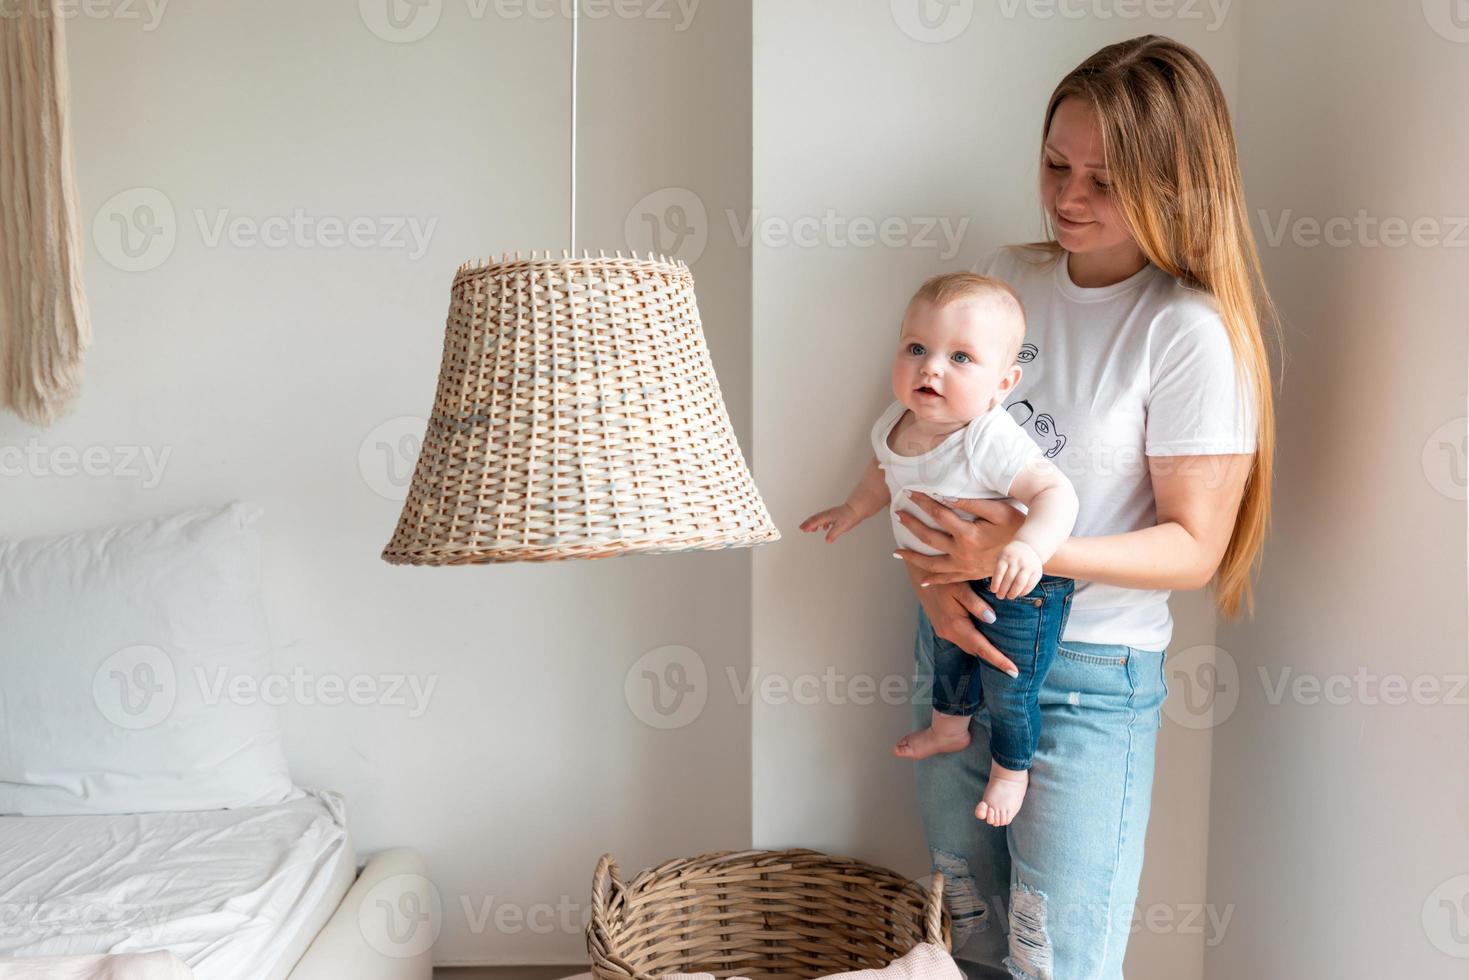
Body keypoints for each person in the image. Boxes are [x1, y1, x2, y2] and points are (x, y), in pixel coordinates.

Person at [893, 36, 1276, 979]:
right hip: (956, 643)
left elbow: (1195, 550)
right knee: (969, 936)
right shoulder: (1002, 285)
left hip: (1086, 678)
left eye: (1103, 181)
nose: (1067, 197)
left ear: (1176, 184)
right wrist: (934, 579)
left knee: (1056, 958)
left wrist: (1027, 550)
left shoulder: (1185, 332)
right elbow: (923, 454)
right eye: (1056, 166)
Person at [801, 272, 1078, 827]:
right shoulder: (897, 420)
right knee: (947, 657)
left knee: (1008, 684)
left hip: (1018, 588)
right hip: (942, 578)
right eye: (917, 349)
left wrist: (1028, 546)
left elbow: (1056, 493)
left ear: (1003, 383)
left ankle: (1011, 769)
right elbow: (884, 473)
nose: (931, 367)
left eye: (961, 358)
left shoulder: (986, 436)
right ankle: (949, 729)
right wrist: (853, 509)